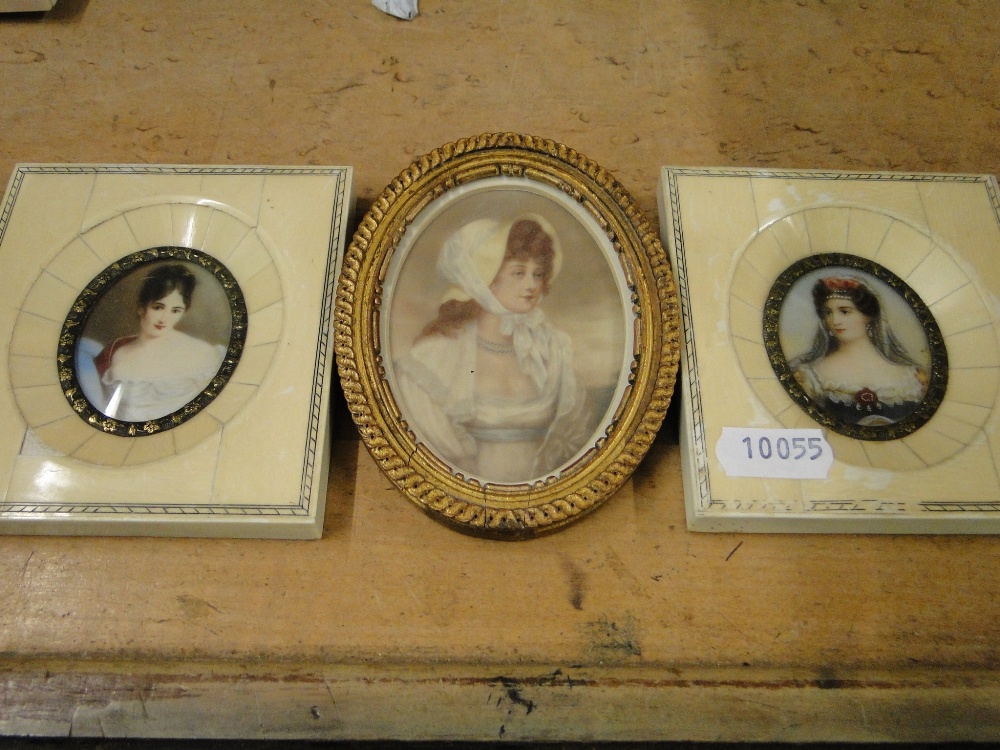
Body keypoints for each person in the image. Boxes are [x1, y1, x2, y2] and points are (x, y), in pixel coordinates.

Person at [394, 215, 595, 483]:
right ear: (485, 278)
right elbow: (434, 453)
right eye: (518, 272)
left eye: (537, 274)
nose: (531, 285)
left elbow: (577, 430)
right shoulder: (436, 357)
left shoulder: (551, 349)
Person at [86, 263, 226, 423]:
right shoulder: (115, 353)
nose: (164, 319)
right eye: (158, 307)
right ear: (141, 307)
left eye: (175, 310)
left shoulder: (202, 353)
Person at [789, 275, 929, 426]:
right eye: (828, 313)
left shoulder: (914, 378)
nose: (835, 321)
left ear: (868, 316)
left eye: (845, 312)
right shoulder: (810, 376)